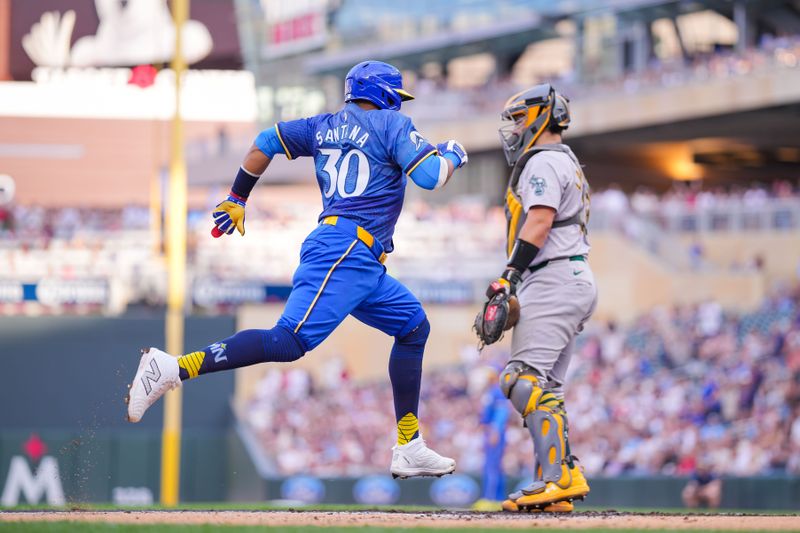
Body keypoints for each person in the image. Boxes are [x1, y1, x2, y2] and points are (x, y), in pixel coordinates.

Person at [126, 60, 468, 478]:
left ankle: (409, 443)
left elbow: (265, 142)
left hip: (358, 259)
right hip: (347, 251)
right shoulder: (393, 125)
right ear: (387, 96)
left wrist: (237, 196)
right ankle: (175, 367)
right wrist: (454, 153)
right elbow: (431, 176)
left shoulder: (321, 125)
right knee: (287, 342)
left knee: (413, 327)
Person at [482, 84, 597, 512]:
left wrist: (508, 275)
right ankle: (558, 481)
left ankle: (558, 478)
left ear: (538, 117)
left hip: (552, 278)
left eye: (517, 119)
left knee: (521, 380)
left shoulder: (544, 161)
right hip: (568, 275)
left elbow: (541, 220)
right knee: (545, 386)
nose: (513, 129)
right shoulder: (563, 160)